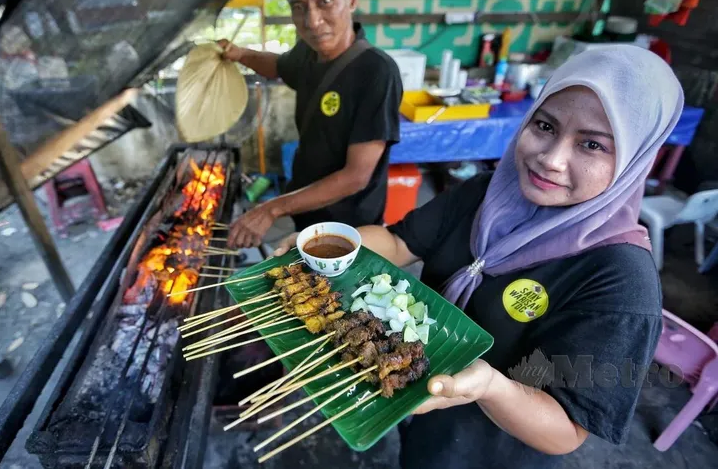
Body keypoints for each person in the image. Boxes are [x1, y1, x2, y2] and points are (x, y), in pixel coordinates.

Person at [275, 45, 684, 468]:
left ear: (636, 159)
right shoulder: (486, 193)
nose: (551, 158)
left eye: (593, 144)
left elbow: (567, 430)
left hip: (493, 452)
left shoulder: (620, 279)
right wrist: (322, 247)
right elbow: (398, 244)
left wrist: (492, 386)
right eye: (545, 125)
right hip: (421, 418)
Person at [220, 0, 402, 249]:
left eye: (325, 1)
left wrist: (271, 208)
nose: (312, 21)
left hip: (348, 226)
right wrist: (238, 54)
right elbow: (278, 65)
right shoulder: (308, 53)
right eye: (298, 7)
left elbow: (356, 176)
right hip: (306, 210)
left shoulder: (377, 72)